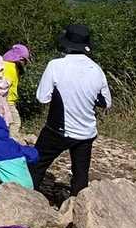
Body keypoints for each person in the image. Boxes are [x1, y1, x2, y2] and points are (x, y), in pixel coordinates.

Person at [29, 23, 111, 196]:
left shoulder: (55, 65)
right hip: (86, 132)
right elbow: (106, 103)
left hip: (58, 130)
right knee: (81, 175)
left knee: (36, 165)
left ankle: (28, 199)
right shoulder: (96, 70)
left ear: (67, 44)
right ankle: (79, 206)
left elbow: (42, 98)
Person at [1, 44, 31, 133]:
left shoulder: (5, 64)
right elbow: (4, 86)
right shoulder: (11, 68)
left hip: (2, 100)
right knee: (15, 123)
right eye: (24, 60)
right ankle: (11, 140)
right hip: (7, 101)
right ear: (20, 59)